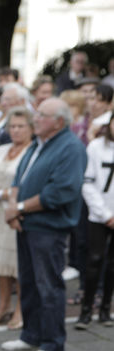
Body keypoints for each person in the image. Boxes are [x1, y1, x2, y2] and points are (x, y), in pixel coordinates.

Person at [1, 98, 86, 351]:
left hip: (49, 227)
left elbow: (60, 191)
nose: (35, 118)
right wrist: (15, 208)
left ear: (59, 122)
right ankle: (32, 334)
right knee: (28, 282)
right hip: (27, 223)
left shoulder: (71, 148)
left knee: (48, 285)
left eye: (42, 115)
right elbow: (20, 178)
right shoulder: (40, 143)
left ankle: (53, 344)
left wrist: (20, 207)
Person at [0, 107, 34, 329]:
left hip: (17, 213)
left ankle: (21, 310)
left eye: (21, 126)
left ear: (31, 129)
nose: (16, 130)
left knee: (18, 266)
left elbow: (26, 186)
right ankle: (3, 306)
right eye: (12, 126)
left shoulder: (32, 151)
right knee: (1, 266)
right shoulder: (1, 149)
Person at [76, 114, 114, 329]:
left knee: (112, 266)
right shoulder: (96, 147)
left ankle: (106, 309)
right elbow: (87, 182)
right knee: (94, 261)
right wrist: (105, 213)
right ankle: (86, 310)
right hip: (99, 215)